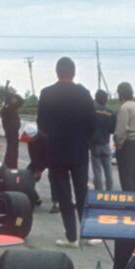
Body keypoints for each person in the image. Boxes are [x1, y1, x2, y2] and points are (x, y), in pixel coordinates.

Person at [37, 57, 95, 247]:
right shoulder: (84, 93)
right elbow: (92, 124)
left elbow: (41, 125)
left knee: (63, 195)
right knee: (82, 193)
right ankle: (88, 234)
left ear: (57, 72)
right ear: (74, 72)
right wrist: (83, 139)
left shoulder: (46, 94)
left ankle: (72, 237)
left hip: (56, 151)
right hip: (79, 150)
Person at [114, 82, 135, 192]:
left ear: (120, 94)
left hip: (129, 143)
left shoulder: (124, 108)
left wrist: (119, 144)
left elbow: (121, 129)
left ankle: (129, 203)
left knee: (126, 175)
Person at [90, 89, 115, 192]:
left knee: (97, 171)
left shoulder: (92, 110)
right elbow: (113, 129)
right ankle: (109, 191)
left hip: (94, 144)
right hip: (106, 142)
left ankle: (98, 192)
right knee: (108, 170)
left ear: (96, 98)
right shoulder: (111, 112)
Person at [0, 90, 24, 168]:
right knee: (13, 148)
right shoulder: (11, 106)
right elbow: (22, 100)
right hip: (13, 129)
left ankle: (8, 163)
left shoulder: (5, 107)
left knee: (10, 147)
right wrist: (14, 94)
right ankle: (12, 164)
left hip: (8, 129)